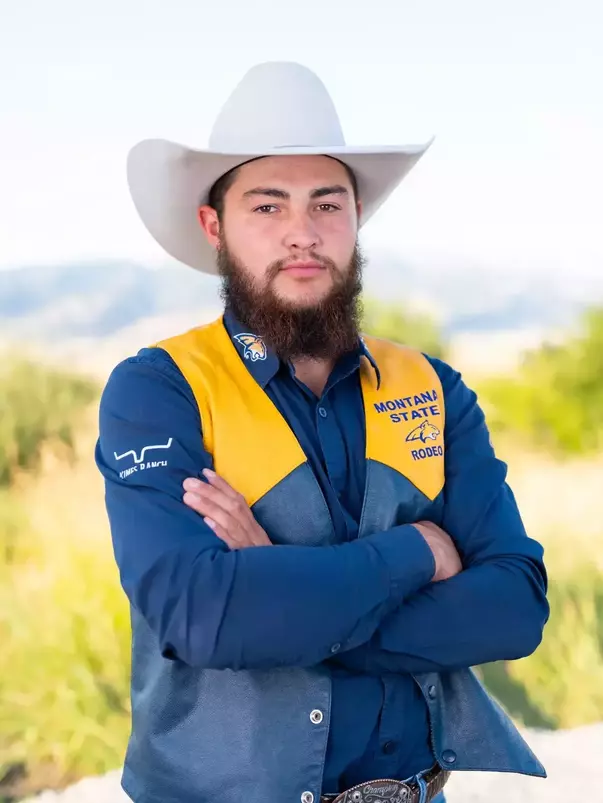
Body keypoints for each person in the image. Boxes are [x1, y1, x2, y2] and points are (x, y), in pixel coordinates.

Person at [95, 62, 549, 803]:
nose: (302, 234)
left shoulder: (433, 389)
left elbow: (514, 608)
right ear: (214, 226)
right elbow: (202, 615)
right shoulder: (160, 390)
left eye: (326, 204)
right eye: (267, 206)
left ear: (356, 216)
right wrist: (416, 552)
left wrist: (284, 598)